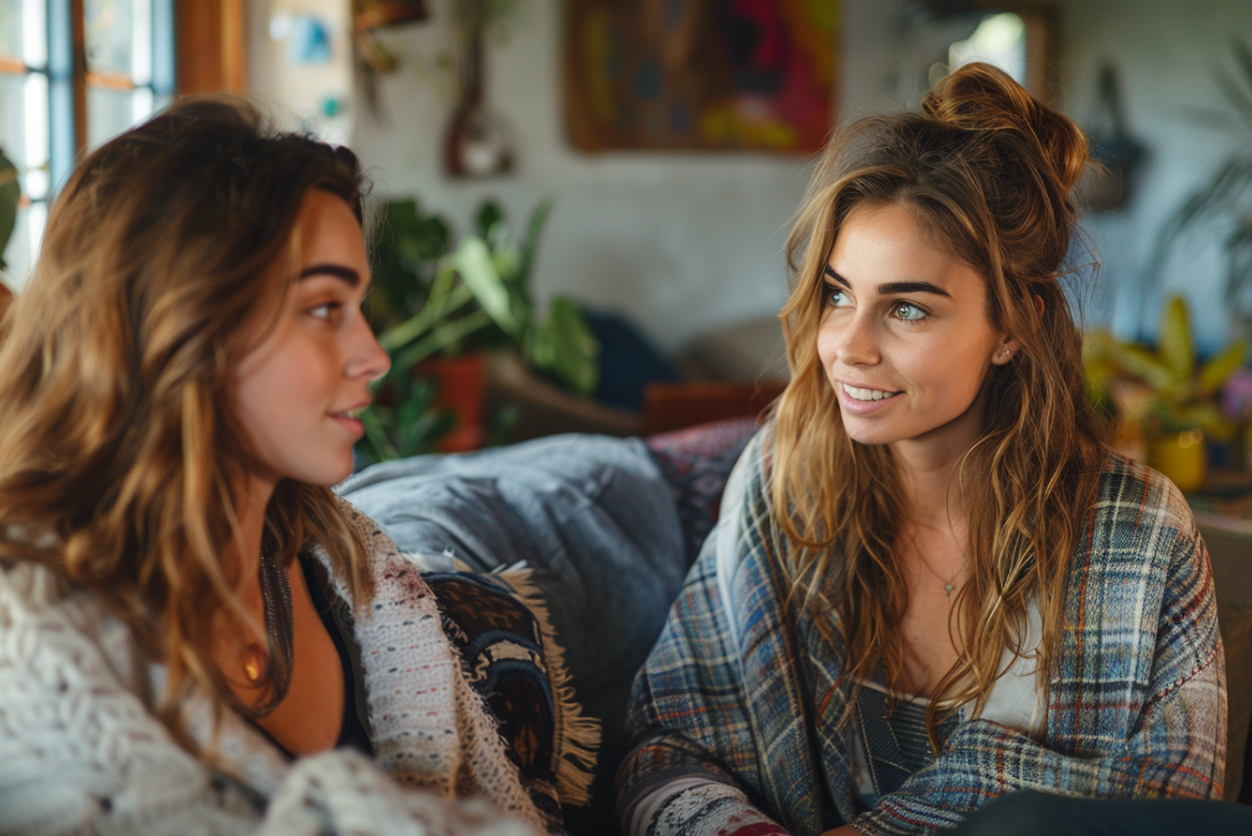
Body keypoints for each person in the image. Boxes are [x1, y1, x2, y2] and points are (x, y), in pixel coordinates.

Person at [616, 63, 1227, 836]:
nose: (848, 347)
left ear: (1015, 325)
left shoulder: (1138, 535)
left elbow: (1169, 805)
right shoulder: (783, 480)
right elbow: (667, 743)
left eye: (906, 308)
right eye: (838, 294)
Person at [0, 97, 596, 835]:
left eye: (361, 307)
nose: (374, 355)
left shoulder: (355, 568)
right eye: (323, 308)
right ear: (183, 324)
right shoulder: (29, 638)